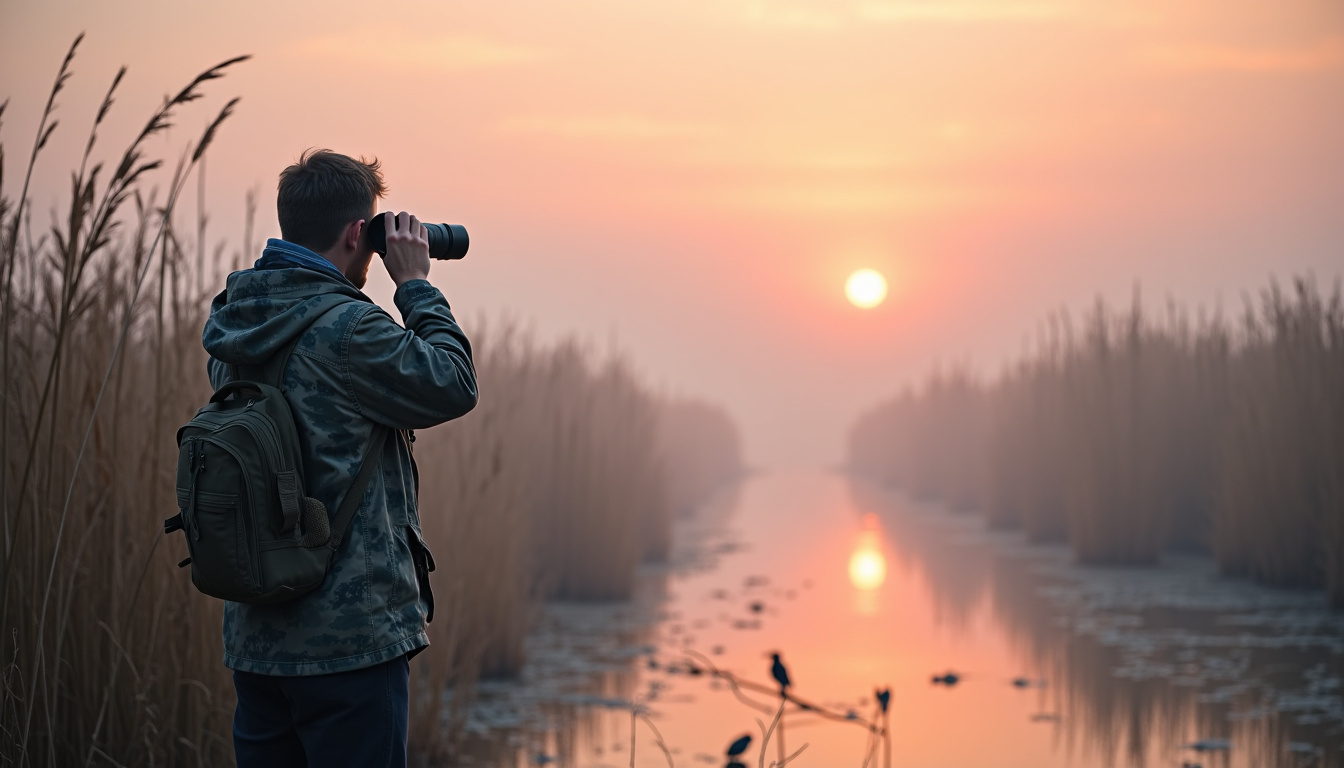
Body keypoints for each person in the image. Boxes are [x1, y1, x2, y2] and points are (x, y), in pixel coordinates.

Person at [201, 149, 478, 767]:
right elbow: (455, 382)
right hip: (350, 645)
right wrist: (415, 284)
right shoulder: (350, 330)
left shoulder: (234, 322)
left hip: (258, 637)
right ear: (359, 233)